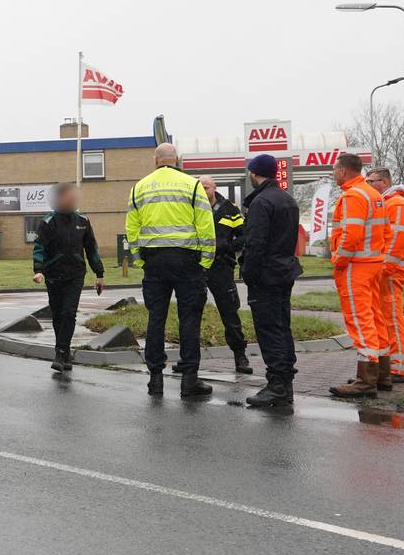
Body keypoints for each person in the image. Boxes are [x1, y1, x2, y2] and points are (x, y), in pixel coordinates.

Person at [125, 143, 216, 398]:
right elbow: (205, 225)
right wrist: (206, 261)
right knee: (189, 319)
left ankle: (155, 379)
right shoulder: (193, 185)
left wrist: (139, 259)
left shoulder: (139, 187)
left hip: (154, 261)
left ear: (155, 159)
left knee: (156, 318)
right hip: (188, 261)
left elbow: (132, 228)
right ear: (176, 159)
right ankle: (189, 381)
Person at [237, 155, 303, 407]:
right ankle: (285, 381)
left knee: (268, 329)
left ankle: (276, 385)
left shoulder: (261, 202)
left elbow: (255, 243)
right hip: (284, 270)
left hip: (265, 274)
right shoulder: (287, 199)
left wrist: (248, 274)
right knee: (282, 327)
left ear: (255, 173)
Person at [328, 153, 392, 398]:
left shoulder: (353, 196)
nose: (334, 173)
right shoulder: (375, 195)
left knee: (360, 319)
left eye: (335, 169)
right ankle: (382, 374)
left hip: (356, 266)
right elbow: (385, 232)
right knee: (375, 318)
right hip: (373, 264)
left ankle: (365, 381)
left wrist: (339, 261)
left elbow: (351, 236)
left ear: (343, 171)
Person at [31, 184, 106, 372]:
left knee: (69, 313)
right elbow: (39, 247)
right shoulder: (48, 222)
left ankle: (61, 352)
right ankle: (63, 352)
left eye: (73, 197)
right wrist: (38, 269)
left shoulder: (83, 221)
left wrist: (99, 274)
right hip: (53, 275)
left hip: (75, 274)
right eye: (66, 197)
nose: (70, 200)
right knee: (57, 314)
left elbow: (91, 248)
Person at [366, 167, 404, 388]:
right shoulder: (386, 204)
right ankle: (387, 368)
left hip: (390, 273)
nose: (367, 184)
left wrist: (383, 270)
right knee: (384, 320)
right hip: (383, 272)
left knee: (392, 319)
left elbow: (396, 243)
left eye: (371, 181)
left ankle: (397, 368)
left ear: (384, 182)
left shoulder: (398, 206)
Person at [198, 175, 252, 374]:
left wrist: (228, 247)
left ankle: (240, 356)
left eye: (206, 187)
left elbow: (244, 234)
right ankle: (188, 359)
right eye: (200, 188)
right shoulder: (191, 207)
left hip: (221, 267)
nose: (204, 191)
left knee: (230, 312)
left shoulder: (229, 209)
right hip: (197, 267)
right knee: (192, 313)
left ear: (214, 188)